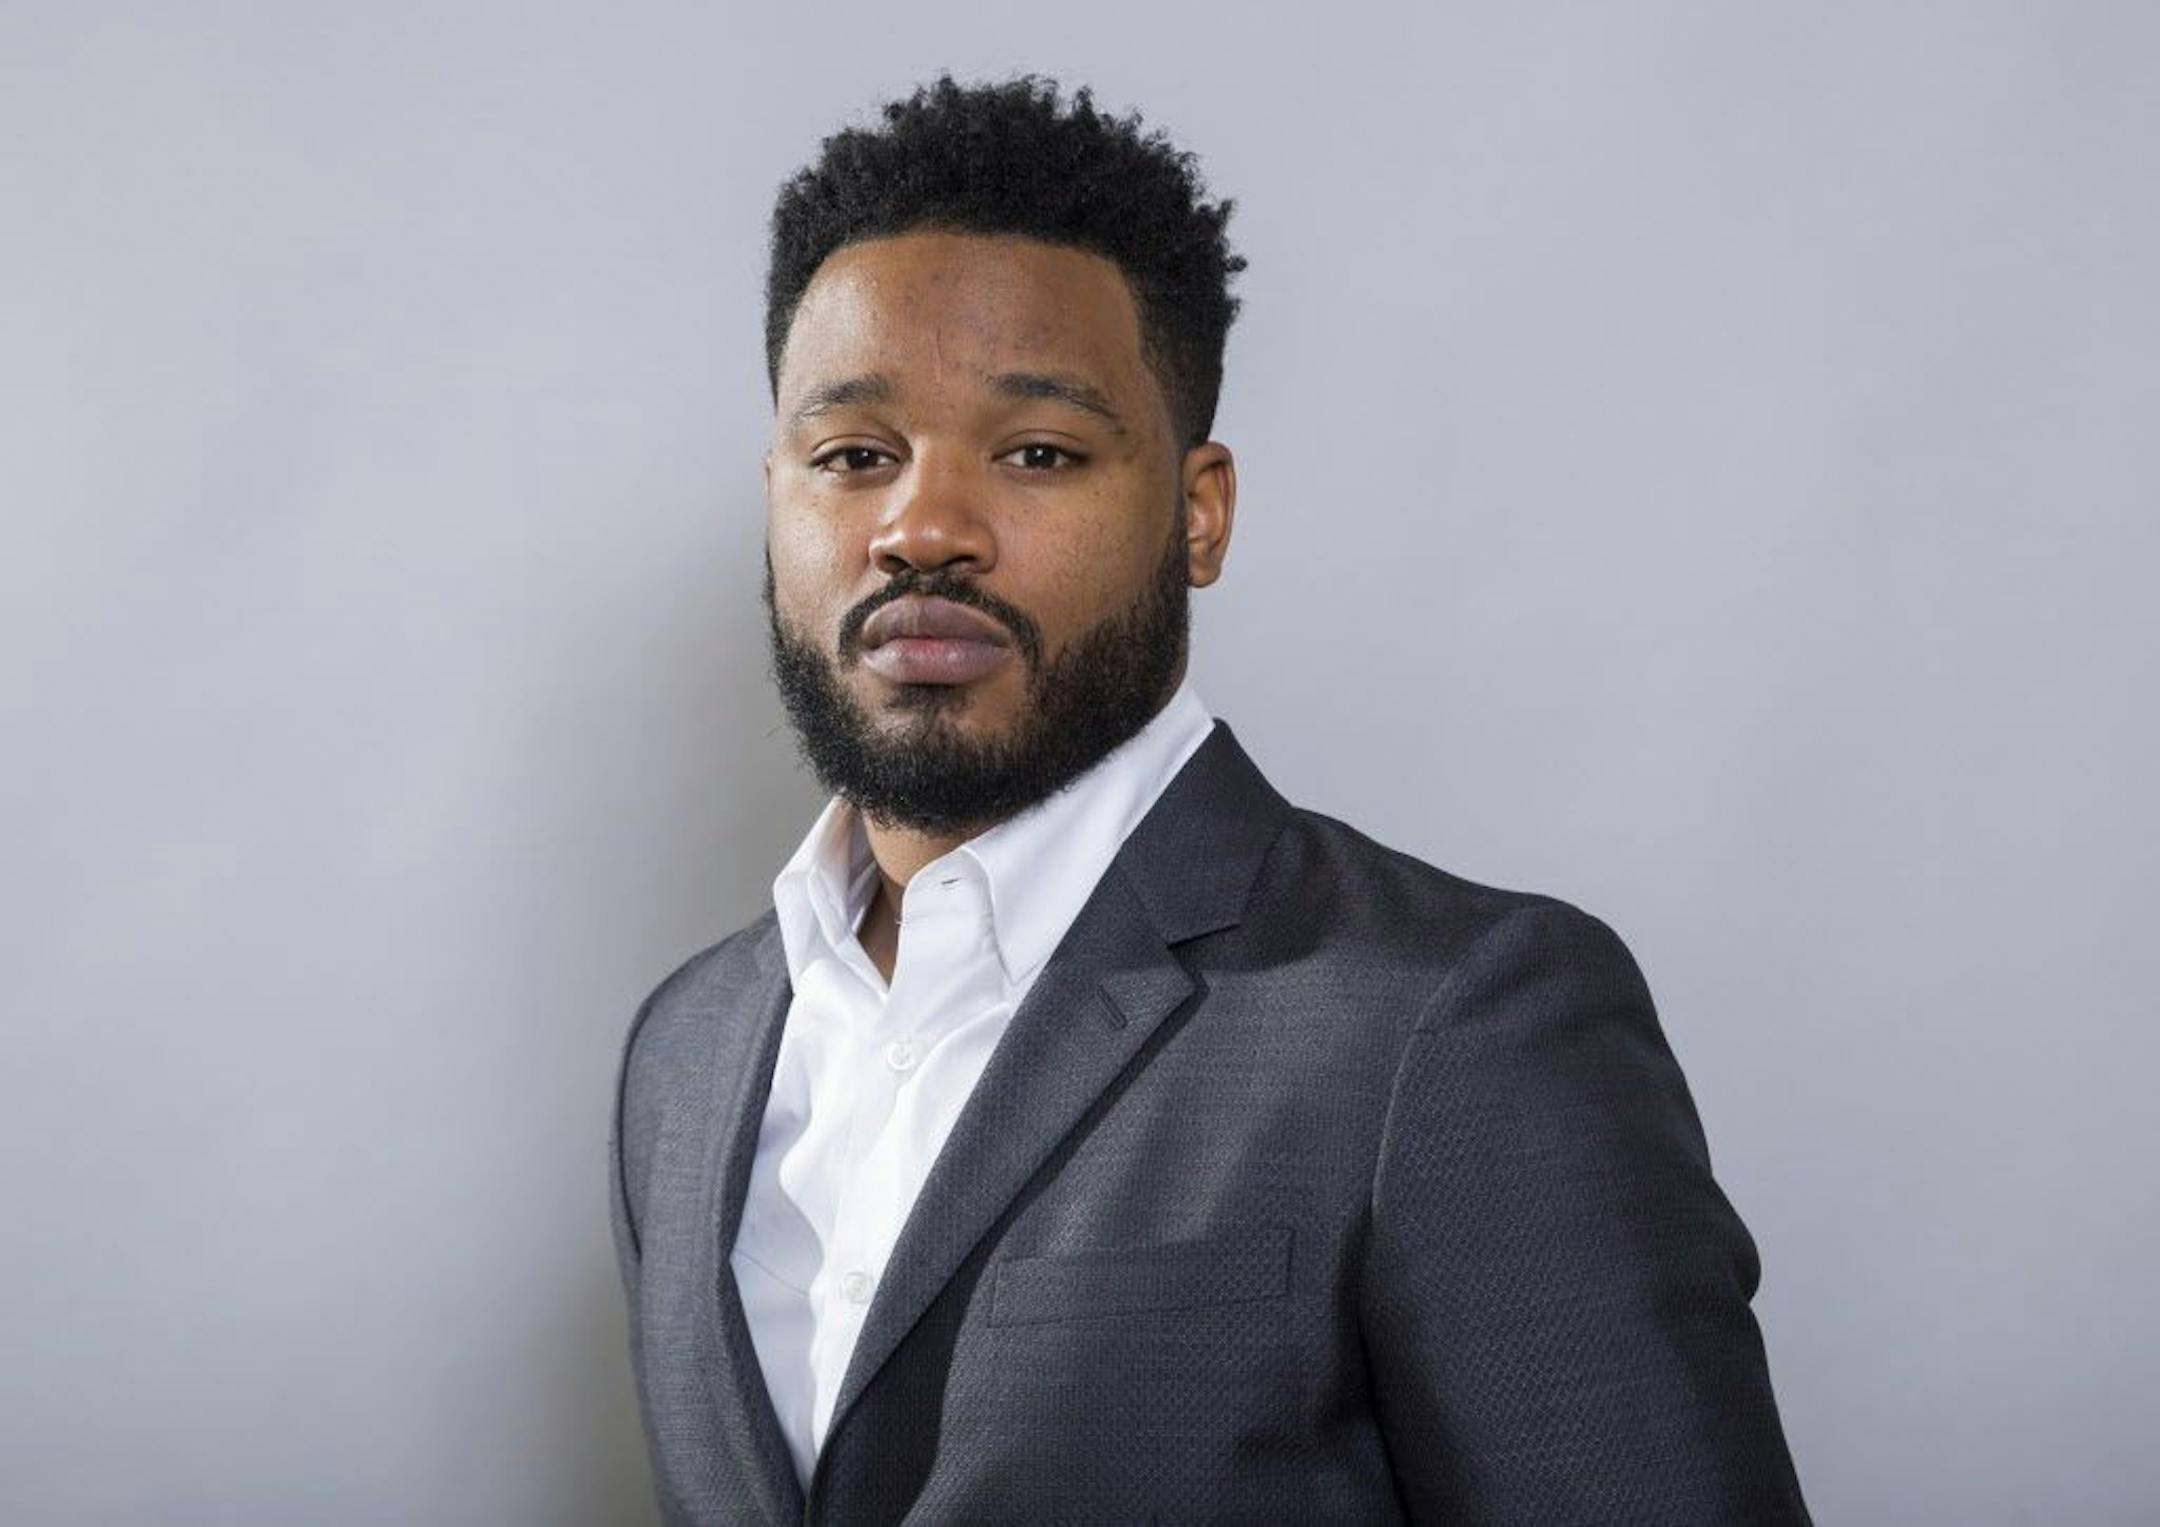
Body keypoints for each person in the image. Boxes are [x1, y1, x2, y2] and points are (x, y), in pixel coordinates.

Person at [608, 74, 1810, 1524]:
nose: (920, 527)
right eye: (853, 457)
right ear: (778, 491)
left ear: (1199, 511)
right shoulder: (686, 1055)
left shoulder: (1456, 1023)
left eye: (1038, 452)